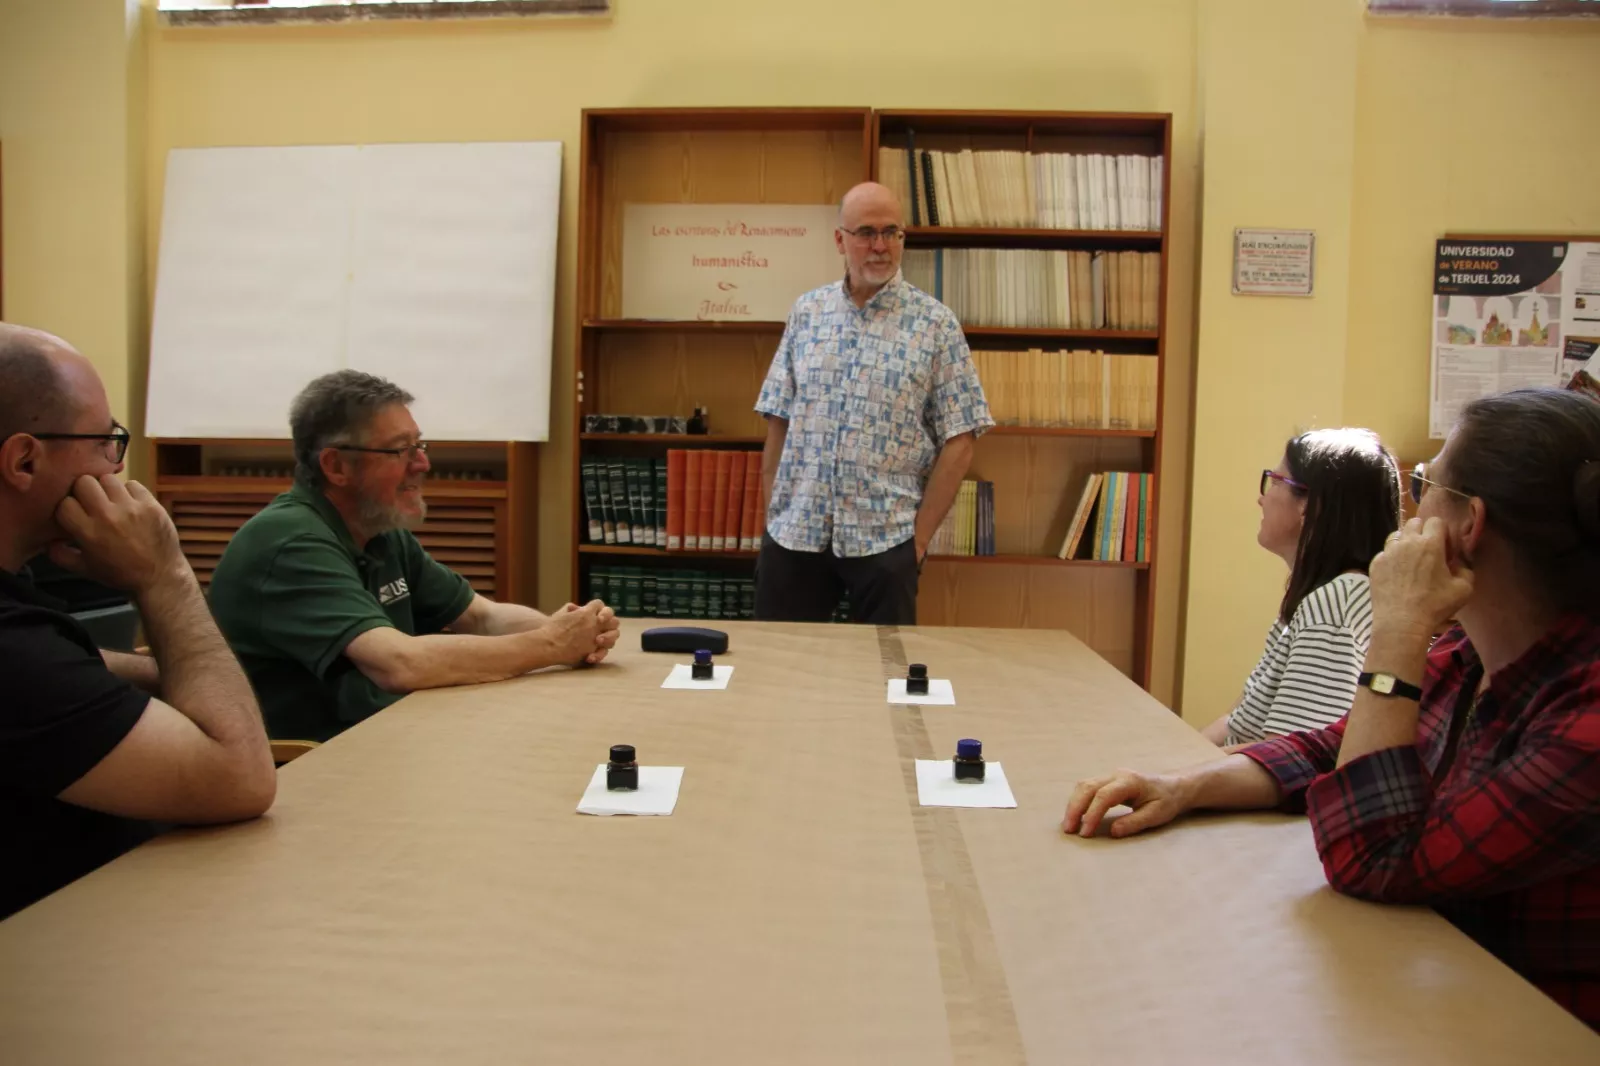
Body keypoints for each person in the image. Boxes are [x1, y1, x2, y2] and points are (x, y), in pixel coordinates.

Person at [1062, 387, 1600, 1031]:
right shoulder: (1468, 655)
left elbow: (1371, 856)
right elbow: (1332, 746)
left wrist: (1399, 626)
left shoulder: (1586, 723)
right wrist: (1184, 787)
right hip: (1442, 990)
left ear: (1468, 525)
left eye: (1425, 484)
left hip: (1534, 1032)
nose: (1409, 509)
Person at [0, 323, 275, 919]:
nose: (117, 465)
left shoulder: (22, 621)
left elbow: (57, 673)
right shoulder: (13, 652)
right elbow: (242, 780)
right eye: (105, 441)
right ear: (24, 460)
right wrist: (164, 575)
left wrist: (153, 675)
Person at [209, 370, 620, 742]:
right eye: (400, 450)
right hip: (310, 767)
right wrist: (551, 643)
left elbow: (481, 616)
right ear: (336, 466)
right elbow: (399, 664)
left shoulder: (379, 530)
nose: (423, 463)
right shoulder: (290, 542)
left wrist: (576, 632)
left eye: (419, 445)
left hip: (388, 737)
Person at [752, 181, 994, 625]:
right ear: (839, 239)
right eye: (866, 232)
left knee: (885, 666)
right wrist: (774, 516)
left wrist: (917, 543)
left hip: (886, 540)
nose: (880, 246)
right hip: (795, 536)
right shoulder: (807, 313)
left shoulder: (936, 325)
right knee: (780, 663)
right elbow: (778, 420)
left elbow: (961, 439)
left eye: (891, 232)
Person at [1200, 428, 1401, 747]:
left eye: (1275, 481)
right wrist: (1178, 759)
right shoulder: (1316, 594)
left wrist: (1179, 770)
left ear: (1310, 505)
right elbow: (1235, 720)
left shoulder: (1335, 606)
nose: (1261, 498)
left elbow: (1286, 758)